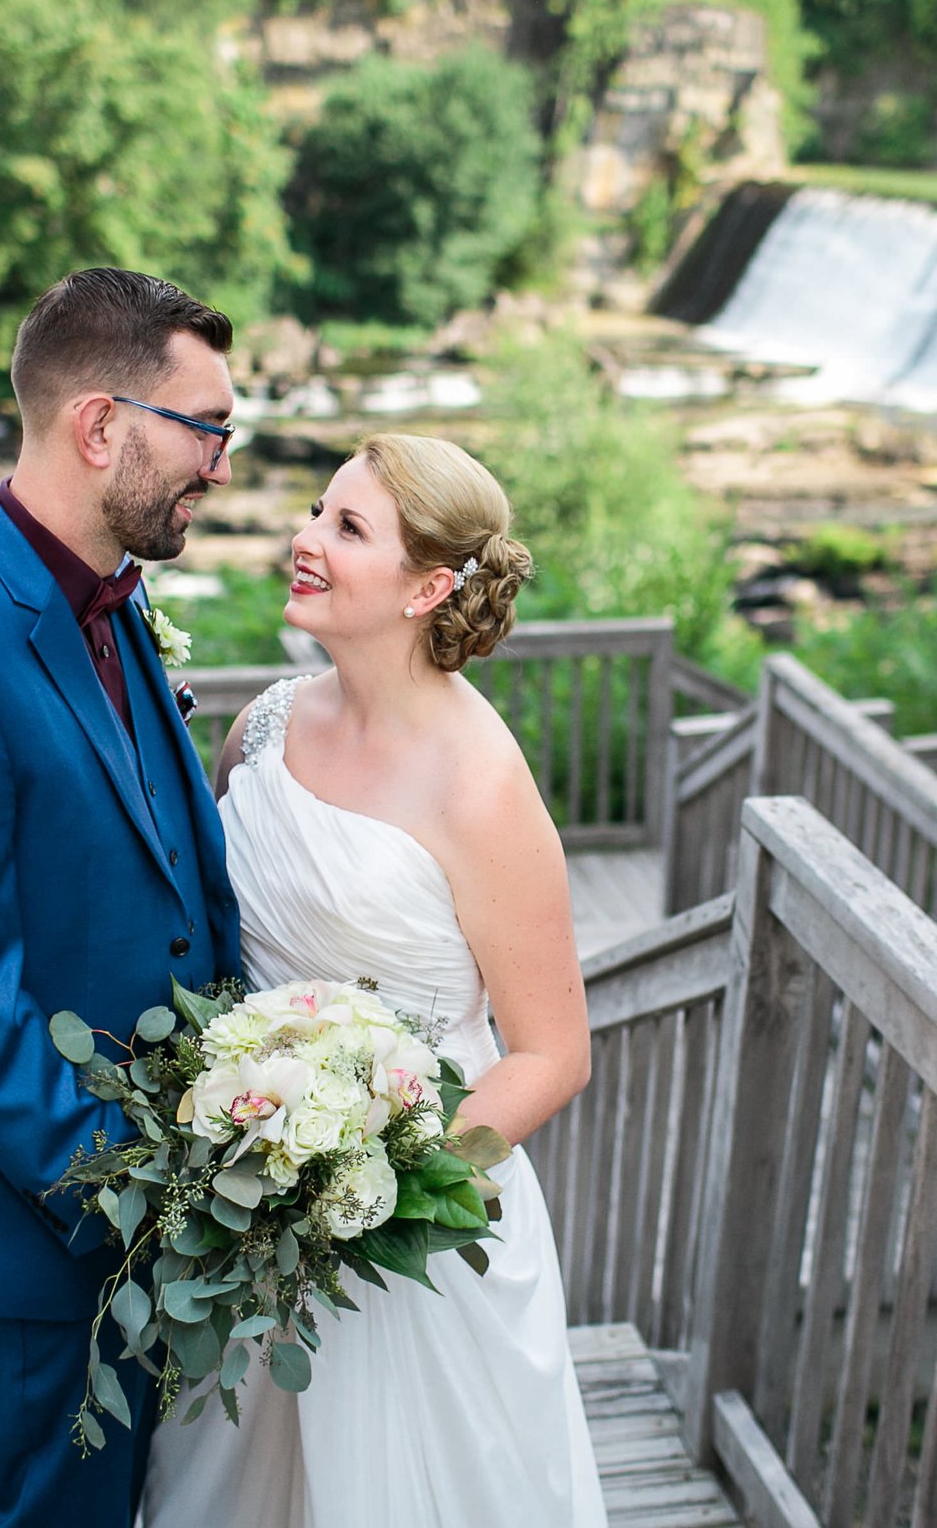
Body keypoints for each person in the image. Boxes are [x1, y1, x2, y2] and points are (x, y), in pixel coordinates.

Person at [137, 432, 607, 1528]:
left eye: (347, 527)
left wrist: (373, 1187)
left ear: (427, 587)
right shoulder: (262, 727)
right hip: (249, 1205)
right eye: (316, 510)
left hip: (410, 1242)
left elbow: (553, 1053)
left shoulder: (481, 787)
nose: (305, 538)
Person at [0, 268, 243, 1526]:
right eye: (206, 429)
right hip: (46, 1223)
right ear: (101, 425)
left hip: (154, 1190)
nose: (222, 466)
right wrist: (129, 1195)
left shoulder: (110, 589)